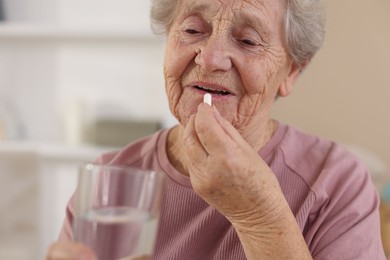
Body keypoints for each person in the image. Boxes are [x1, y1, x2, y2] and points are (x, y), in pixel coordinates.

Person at [46, 0, 386, 259]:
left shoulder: (339, 180)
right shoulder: (108, 178)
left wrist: (260, 216)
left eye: (249, 41)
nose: (210, 59)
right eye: (192, 31)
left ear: (291, 72)